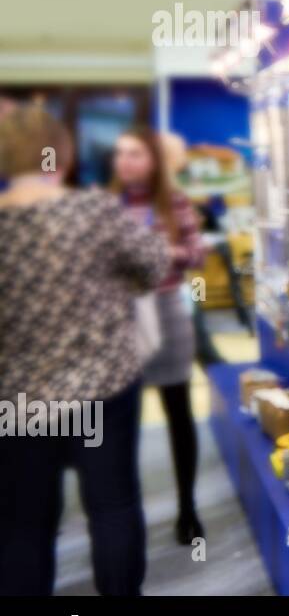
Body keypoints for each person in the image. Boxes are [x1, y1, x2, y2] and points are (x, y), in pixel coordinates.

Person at [0, 105, 170, 595]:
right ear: (61, 154)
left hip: (19, 400)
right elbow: (154, 263)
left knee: (24, 524)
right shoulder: (90, 211)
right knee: (112, 506)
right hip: (102, 390)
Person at [111, 126, 209, 544]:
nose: (125, 162)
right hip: (119, 319)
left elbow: (197, 253)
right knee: (121, 423)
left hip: (167, 313)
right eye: (120, 154)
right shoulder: (105, 205)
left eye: (135, 153)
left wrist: (157, 251)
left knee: (178, 413)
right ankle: (120, 515)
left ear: (152, 160)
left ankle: (188, 508)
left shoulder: (173, 202)